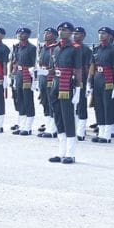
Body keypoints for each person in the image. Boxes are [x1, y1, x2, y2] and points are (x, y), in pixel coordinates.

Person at [49, 21, 81, 163]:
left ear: (71, 33)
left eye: (65, 30)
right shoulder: (55, 48)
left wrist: (78, 90)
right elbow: (54, 69)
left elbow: (79, 70)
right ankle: (61, 151)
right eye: (60, 29)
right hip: (56, 86)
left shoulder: (75, 49)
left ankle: (70, 153)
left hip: (67, 86)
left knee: (68, 119)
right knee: (58, 118)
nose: (62, 32)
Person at [10, 27, 37, 135]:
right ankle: (21, 125)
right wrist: (12, 75)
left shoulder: (31, 48)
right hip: (19, 74)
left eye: (24, 34)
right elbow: (14, 61)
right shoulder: (16, 47)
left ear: (28, 35)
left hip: (27, 75)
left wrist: (34, 79)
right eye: (19, 33)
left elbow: (34, 63)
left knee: (27, 99)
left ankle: (28, 127)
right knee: (19, 99)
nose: (21, 35)